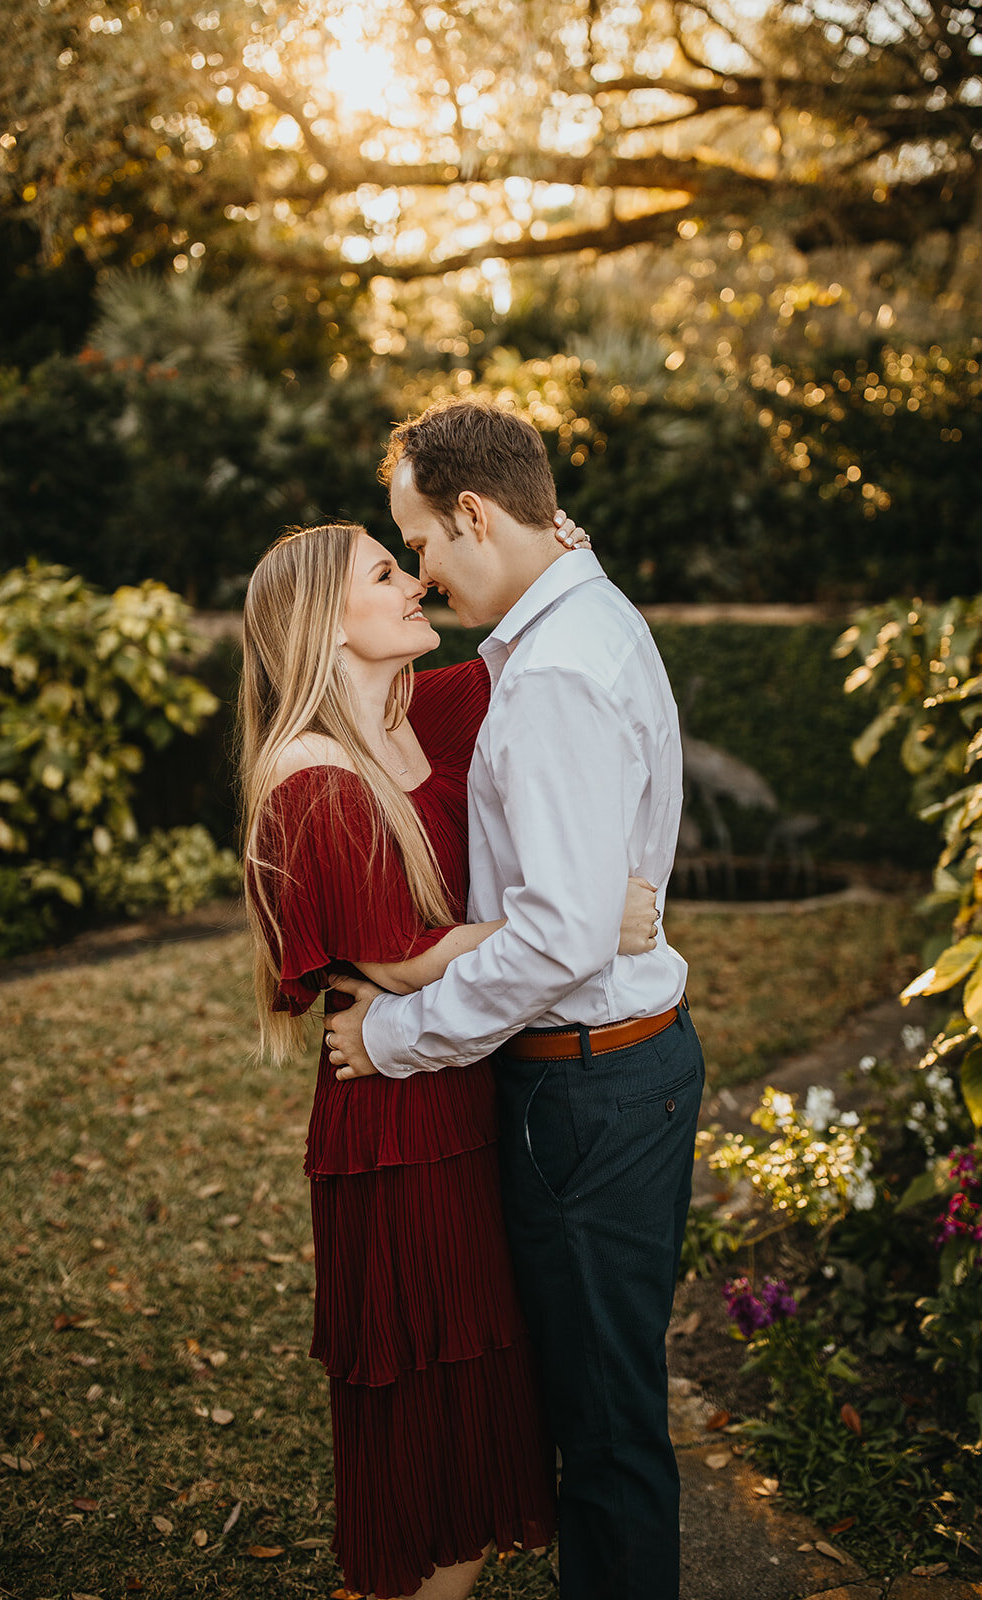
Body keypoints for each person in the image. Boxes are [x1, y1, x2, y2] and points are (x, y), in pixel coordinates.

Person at [325, 399, 706, 1600]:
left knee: (601, 1438)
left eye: (421, 541)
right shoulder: (581, 617)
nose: (423, 577)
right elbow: (573, 907)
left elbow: (550, 941)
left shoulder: (550, 674)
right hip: (611, 1072)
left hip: (585, 1090)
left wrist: (389, 1035)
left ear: (475, 513)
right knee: (600, 1419)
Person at [239, 518, 658, 1600]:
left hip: (465, 1082)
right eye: (387, 570)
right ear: (325, 621)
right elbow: (401, 958)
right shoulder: (312, 780)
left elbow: (524, 652)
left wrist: (552, 548)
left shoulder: (423, 709)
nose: (416, 577)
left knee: (477, 1409)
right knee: (425, 1420)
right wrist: (585, 919)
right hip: (394, 1120)